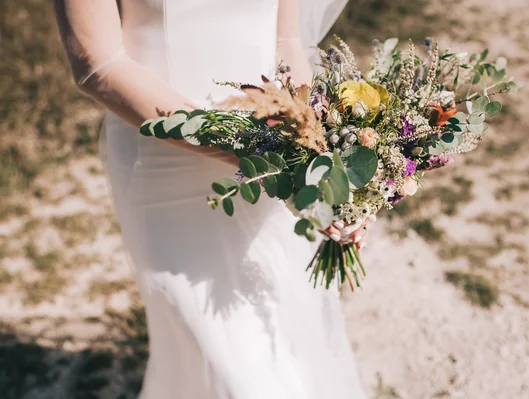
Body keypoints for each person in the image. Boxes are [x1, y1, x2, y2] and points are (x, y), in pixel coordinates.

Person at [53, 1, 367, 397]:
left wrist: (321, 157)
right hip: (162, 162)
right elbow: (96, 63)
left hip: (276, 149)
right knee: (215, 345)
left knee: (282, 318)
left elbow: (285, 40)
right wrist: (246, 146)